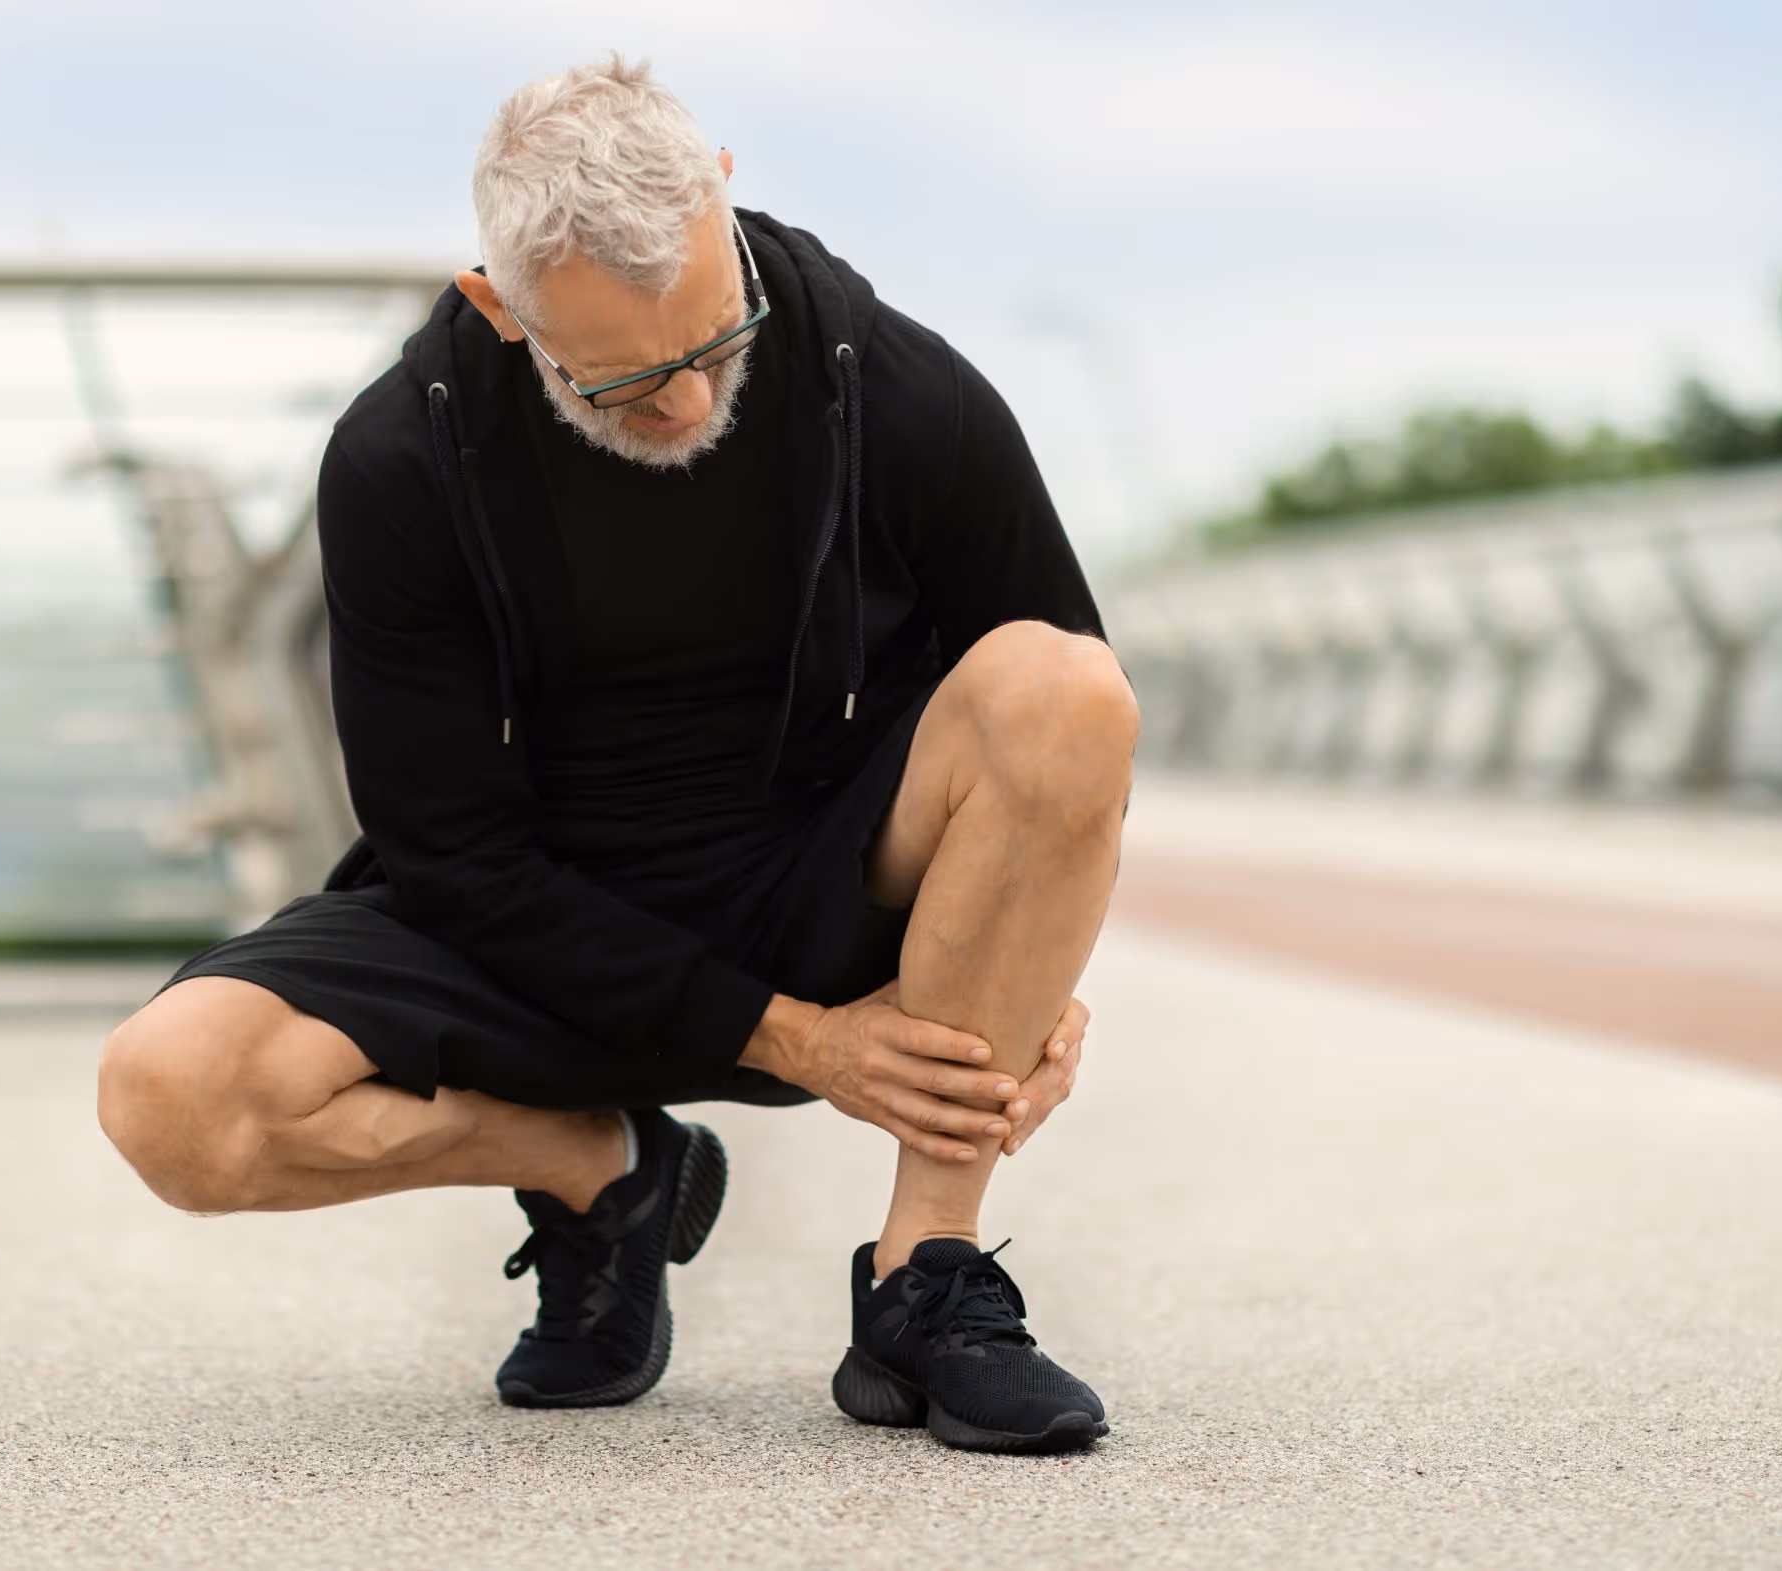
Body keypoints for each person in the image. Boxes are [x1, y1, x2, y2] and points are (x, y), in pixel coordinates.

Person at [97, 54, 1135, 1455]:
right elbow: (452, 856)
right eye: (630, 376)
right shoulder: (403, 458)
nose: (690, 404)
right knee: (173, 1100)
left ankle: (926, 1281)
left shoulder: (880, 376)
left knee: (1061, 686)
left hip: (817, 883)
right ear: (499, 310)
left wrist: (1035, 982)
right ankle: (607, 1171)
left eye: (717, 341)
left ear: (721, 198)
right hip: (525, 917)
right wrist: (795, 1042)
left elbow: (1063, 726)